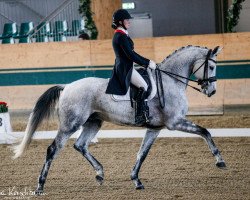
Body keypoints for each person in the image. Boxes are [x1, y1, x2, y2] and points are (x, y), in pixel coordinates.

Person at [105, 9, 156, 125]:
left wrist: (146, 62)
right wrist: (147, 63)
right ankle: (139, 116)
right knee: (143, 85)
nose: (129, 22)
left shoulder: (122, 34)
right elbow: (131, 55)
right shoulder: (120, 36)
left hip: (126, 66)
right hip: (124, 68)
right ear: (120, 22)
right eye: (127, 20)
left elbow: (132, 53)